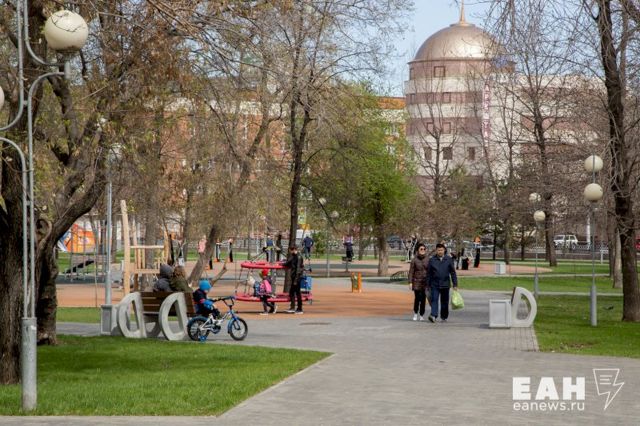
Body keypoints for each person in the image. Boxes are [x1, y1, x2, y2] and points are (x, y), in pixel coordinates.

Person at [426, 243, 458, 323]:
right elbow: (429, 273)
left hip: (445, 284)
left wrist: (455, 284)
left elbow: (453, 273)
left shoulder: (449, 259)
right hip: (434, 284)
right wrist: (427, 284)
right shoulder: (432, 260)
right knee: (434, 300)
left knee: (444, 302)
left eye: (441, 250)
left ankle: (444, 317)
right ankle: (433, 315)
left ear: (444, 250)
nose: (440, 252)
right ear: (436, 251)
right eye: (438, 250)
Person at [408, 243, 429, 321]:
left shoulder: (428, 259)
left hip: (425, 282)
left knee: (423, 298)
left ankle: (421, 314)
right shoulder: (414, 260)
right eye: (421, 249)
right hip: (416, 282)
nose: (423, 250)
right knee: (417, 298)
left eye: (424, 249)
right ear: (417, 250)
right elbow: (411, 272)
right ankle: (415, 313)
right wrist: (410, 282)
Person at [283, 245, 305, 314]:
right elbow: (289, 263)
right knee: (292, 292)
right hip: (294, 277)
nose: (290, 252)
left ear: (293, 250)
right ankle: (292, 307)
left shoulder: (298, 257)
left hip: (297, 277)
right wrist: (284, 263)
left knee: (297, 293)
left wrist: (296, 280)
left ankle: (300, 309)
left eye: (290, 250)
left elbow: (298, 269)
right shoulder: (294, 256)